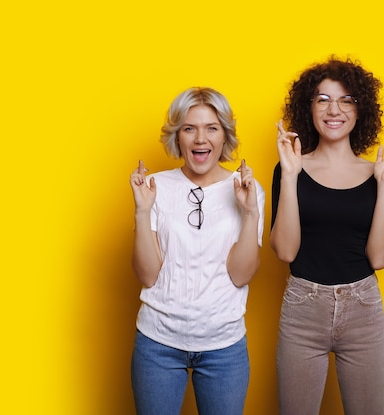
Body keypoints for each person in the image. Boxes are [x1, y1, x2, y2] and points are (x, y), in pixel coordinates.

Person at [270, 56, 384, 415]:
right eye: (323, 99)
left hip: (363, 309)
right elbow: (285, 250)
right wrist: (289, 174)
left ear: (361, 111)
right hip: (303, 309)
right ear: (309, 107)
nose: (335, 109)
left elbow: (379, 258)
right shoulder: (290, 168)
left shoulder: (379, 173)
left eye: (346, 100)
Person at [129, 87, 265, 415]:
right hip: (157, 343)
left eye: (211, 128)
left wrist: (249, 213)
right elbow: (148, 274)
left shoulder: (247, 190)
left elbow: (241, 274)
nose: (200, 139)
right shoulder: (155, 187)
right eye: (190, 128)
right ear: (178, 136)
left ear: (224, 136)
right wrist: (142, 211)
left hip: (224, 347)